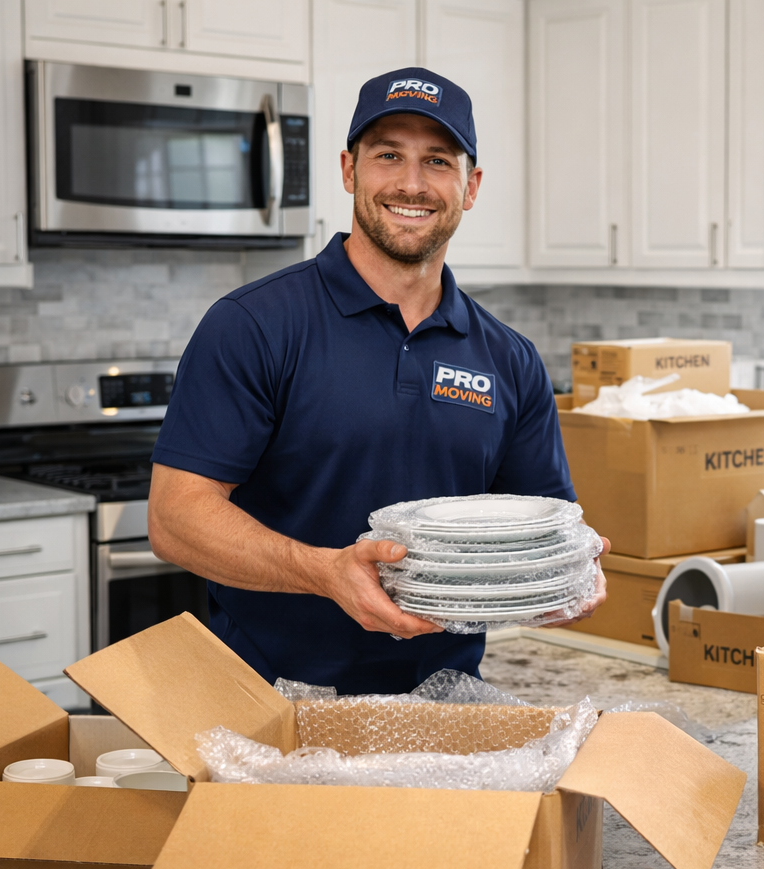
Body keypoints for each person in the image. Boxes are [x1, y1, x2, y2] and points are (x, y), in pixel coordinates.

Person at [148, 67, 603, 694]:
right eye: (388, 155)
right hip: (266, 702)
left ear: (470, 187)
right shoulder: (254, 325)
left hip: (443, 707)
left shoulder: (511, 359)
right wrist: (325, 572)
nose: (411, 183)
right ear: (348, 170)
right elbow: (175, 519)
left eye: (437, 161)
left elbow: (538, 522)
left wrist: (567, 568)